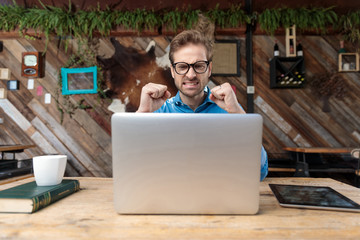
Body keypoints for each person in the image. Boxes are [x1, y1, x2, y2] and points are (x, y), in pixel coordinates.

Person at [136, 30, 268, 181]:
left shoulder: (232, 112)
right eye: (182, 66)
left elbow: (259, 172)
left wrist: (237, 113)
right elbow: (134, 171)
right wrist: (142, 113)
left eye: (198, 66)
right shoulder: (155, 113)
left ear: (209, 69)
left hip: (220, 201)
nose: (191, 75)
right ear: (173, 71)